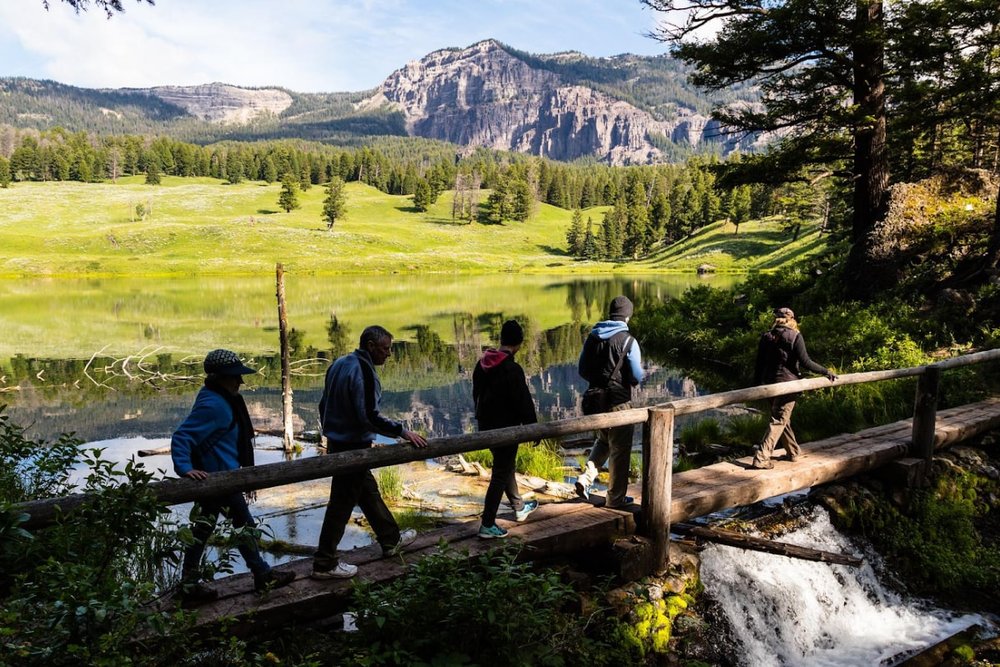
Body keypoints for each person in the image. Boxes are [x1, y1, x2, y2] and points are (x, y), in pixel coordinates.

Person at [171, 349, 296, 604]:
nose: (240, 381)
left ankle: (191, 584)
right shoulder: (214, 404)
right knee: (240, 528)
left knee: (208, 530)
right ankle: (260, 575)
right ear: (219, 378)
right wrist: (185, 468)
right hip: (217, 480)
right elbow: (182, 437)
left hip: (221, 478)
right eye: (234, 376)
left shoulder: (219, 397)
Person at [312, 325, 428, 579]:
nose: (389, 354)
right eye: (386, 349)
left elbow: (323, 404)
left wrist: (331, 432)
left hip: (337, 441)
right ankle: (325, 562)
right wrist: (402, 432)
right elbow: (369, 416)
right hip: (353, 446)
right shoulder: (363, 370)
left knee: (367, 492)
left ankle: (390, 539)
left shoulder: (340, 363)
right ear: (370, 346)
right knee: (341, 503)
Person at [472, 320, 540, 539]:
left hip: (485, 426)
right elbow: (523, 401)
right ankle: (488, 524)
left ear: (502, 340)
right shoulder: (512, 369)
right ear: (519, 343)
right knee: (501, 473)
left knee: (505, 466)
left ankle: (519, 508)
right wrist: (532, 428)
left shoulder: (482, 363)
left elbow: (476, 395)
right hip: (506, 430)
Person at [575, 295, 644, 508]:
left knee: (604, 441)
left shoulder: (593, 337)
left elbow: (582, 370)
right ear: (627, 317)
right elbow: (636, 376)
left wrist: (600, 380)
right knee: (620, 450)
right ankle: (615, 499)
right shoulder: (628, 341)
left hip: (596, 401)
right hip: (619, 403)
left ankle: (585, 479)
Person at [750, 307, 837, 470]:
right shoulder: (795, 336)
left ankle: (793, 452)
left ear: (776, 319)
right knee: (779, 420)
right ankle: (761, 458)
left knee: (782, 418)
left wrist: (757, 385)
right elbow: (806, 362)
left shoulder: (766, 336)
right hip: (788, 384)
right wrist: (826, 371)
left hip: (769, 384)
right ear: (792, 320)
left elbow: (759, 364)